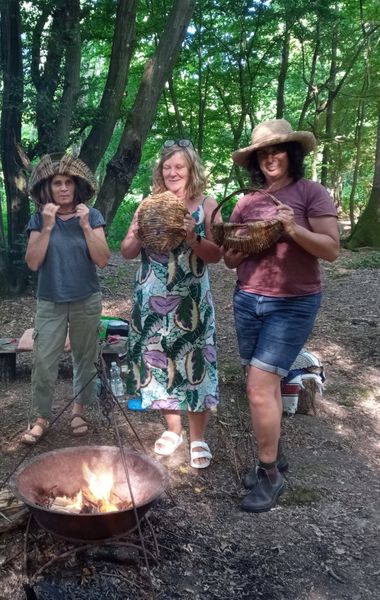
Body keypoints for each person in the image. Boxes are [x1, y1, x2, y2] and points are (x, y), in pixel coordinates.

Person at [227, 119, 340, 512]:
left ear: (292, 154)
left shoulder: (310, 192)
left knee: (258, 387)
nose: (270, 158)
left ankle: (269, 475)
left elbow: (330, 249)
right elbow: (228, 259)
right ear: (255, 160)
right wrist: (241, 244)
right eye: (262, 153)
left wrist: (291, 229)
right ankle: (276, 450)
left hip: (292, 303)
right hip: (247, 300)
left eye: (277, 150)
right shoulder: (246, 201)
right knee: (265, 385)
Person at [120, 140, 223, 469]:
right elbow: (126, 251)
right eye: (167, 167)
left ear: (192, 169)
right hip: (150, 300)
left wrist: (194, 238)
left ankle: (198, 437)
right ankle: (173, 430)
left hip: (190, 301)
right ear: (160, 172)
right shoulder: (147, 204)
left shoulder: (207, 205)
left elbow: (217, 256)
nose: (173, 172)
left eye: (179, 167)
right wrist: (136, 232)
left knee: (195, 364)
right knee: (157, 363)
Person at [21, 153, 111, 444]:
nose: (63, 188)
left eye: (68, 183)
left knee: (85, 359)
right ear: (48, 188)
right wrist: (47, 226)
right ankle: (40, 418)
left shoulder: (92, 216)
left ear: (77, 186)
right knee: (44, 360)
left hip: (86, 298)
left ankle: (79, 412)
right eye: (57, 183)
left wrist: (85, 226)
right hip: (50, 300)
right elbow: (33, 262)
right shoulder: (38, 218)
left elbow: (102, 260)